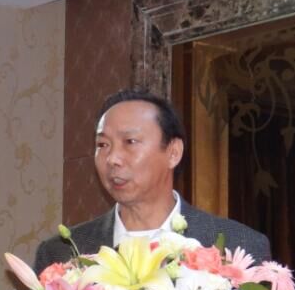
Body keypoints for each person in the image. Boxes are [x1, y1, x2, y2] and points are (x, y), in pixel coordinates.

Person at [34, 88, 271, 272]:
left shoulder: (238, 246)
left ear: (173, 152)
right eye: (102, 145)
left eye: (130, 142)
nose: (112, 158)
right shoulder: (60, 253)